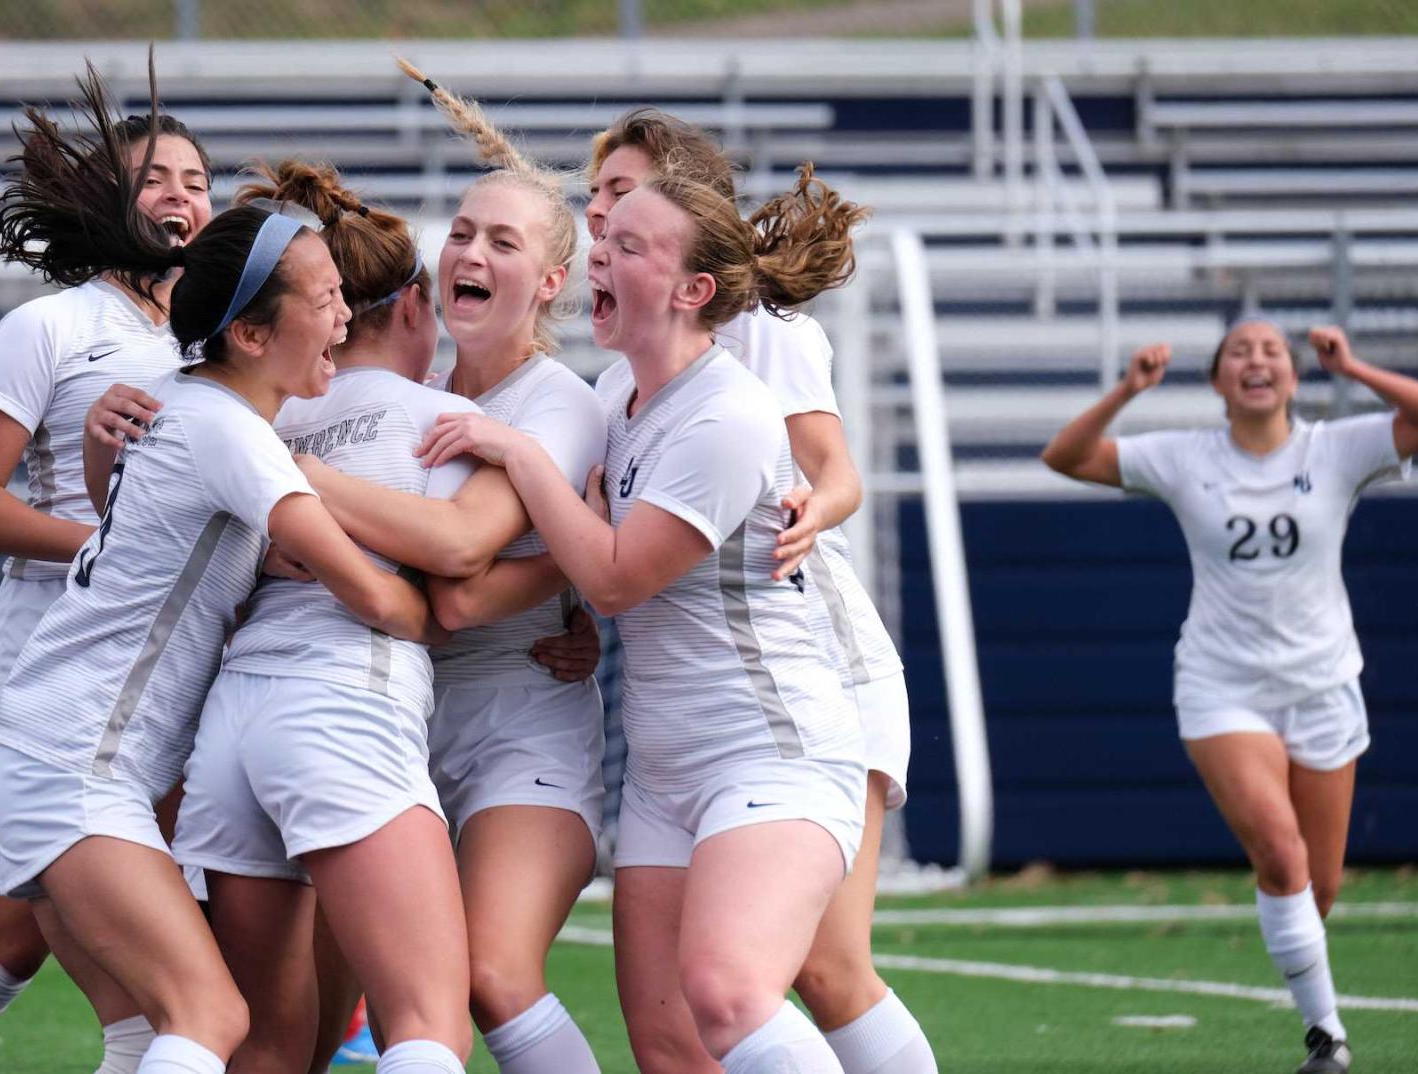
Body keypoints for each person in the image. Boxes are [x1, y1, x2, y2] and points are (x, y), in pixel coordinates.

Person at [0, 68, 437, 1074]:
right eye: (324, 301)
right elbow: (372, 593)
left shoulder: (194, 406)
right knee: (210, 1020)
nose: (348, 319)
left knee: (154, 1034)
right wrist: (481, 603)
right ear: (252, 334)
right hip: (73, 771)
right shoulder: (235, 434)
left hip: (67, 764)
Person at [418, 166, 870, 1073]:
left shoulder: (731, 412)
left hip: (767, 747)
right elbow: (601, 571)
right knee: (670, 1043)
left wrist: (520, 454)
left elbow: (621, 578)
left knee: (731, 993)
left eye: (629, 246)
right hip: (664, 768)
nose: (601, 256)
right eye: (604, 239)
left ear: (691, 290)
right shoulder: (622, 403)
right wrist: (571, 610)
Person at [585, 107, 936, 1074]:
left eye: (622, 195)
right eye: (594, 201)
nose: (599, 218)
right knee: (690, 1015)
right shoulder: (628, 373)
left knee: (816, 971)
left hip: (810, 659)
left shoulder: (753, 335)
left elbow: (836, 472)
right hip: (690, 698)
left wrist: (807, 512)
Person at [0, 86, 214, 1074]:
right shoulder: (53, 328)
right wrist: (105, 548)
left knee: (156, 980)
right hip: (42, 661)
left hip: (168, 677)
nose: (180, 194)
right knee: (15, 936)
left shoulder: (214, 343)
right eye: (155, 176)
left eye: (196, 180)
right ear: (105, 199)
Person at [289, 61, 610, 1074]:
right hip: (401, 720)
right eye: (463, 232)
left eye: (501, 242)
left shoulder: (556, 402)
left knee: (489, 977)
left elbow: (462, 582)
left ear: (550, 282)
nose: (468, 251)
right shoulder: (408, 384)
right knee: (354, 1012)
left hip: (525, 719)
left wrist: (291, 483)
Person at [1040, 320, 1418, 1074]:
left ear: (1292, 378)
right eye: (1239, 353)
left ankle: (1313, 998)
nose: (1256, 362)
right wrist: (1128, 390)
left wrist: (1355, 367)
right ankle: (1328, 1038)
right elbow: (1065, 455)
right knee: (1280, 853)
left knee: (1314, 893)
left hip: (1323, 685)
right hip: (1223, 686)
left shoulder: (1337, 449)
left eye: (1271, 354)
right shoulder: (1184, 456)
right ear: (1220, 381)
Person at [169, 160, 474, 1074]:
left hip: (229, 722)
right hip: (344, 698)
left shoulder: (262, 408)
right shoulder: (446, 418)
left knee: (268, 1043)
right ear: (414, 307)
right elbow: (459, 565)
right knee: (426, 1021)